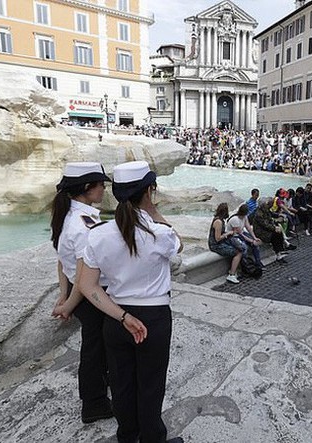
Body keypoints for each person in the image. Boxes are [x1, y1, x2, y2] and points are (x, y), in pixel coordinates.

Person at [78, 160, 184, 443]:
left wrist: (123, 317)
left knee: (122, 385)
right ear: (149, 191)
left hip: (116, 319)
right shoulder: (159, 234)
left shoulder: (97, 234)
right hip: (154, 319)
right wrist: (152, 209)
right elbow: (179, 245)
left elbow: (88, 287)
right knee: (150, 386)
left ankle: (127, 437)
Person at [50, 161, 113, 424]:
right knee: (95, 352)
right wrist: (68, 304)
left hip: (81, 296)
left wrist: (64, 296)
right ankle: (95, 404)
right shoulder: (83, 225)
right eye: (101, 185)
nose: (103, 189)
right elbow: (84, 275)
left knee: (96, 348)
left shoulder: (70, 216)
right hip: (91, 295)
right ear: (88, 188)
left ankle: (96, 395)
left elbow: (62, 262)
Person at [209, 203, 242, 283]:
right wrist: (228, 233)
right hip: (216, 245)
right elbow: (217, 238)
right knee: (238, 253)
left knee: (238, 247)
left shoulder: (219, 219)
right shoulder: (218, 222)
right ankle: (232, 274)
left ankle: (235, 270)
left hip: (219, 242)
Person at [252, 197, 289, 263]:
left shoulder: (265, 210)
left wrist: (280, 215)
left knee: (278, 232)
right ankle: (278, 254)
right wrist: (274, 228)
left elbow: (272, 214)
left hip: (266, 229)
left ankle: (279, 252)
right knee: (275, 234)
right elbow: (265, 225)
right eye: (266, 204)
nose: (267, 205)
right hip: (261, 232)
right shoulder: (258, 214)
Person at [227, 203, 264, 268]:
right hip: (234, 236)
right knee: (244, 247)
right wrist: (252, 241)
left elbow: (248, 228)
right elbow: (240, 234)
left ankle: (258, 263)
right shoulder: (235, 219)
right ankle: (245, 266)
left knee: (255, 246)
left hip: (242, 233)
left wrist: (254, 238)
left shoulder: (245, 217)